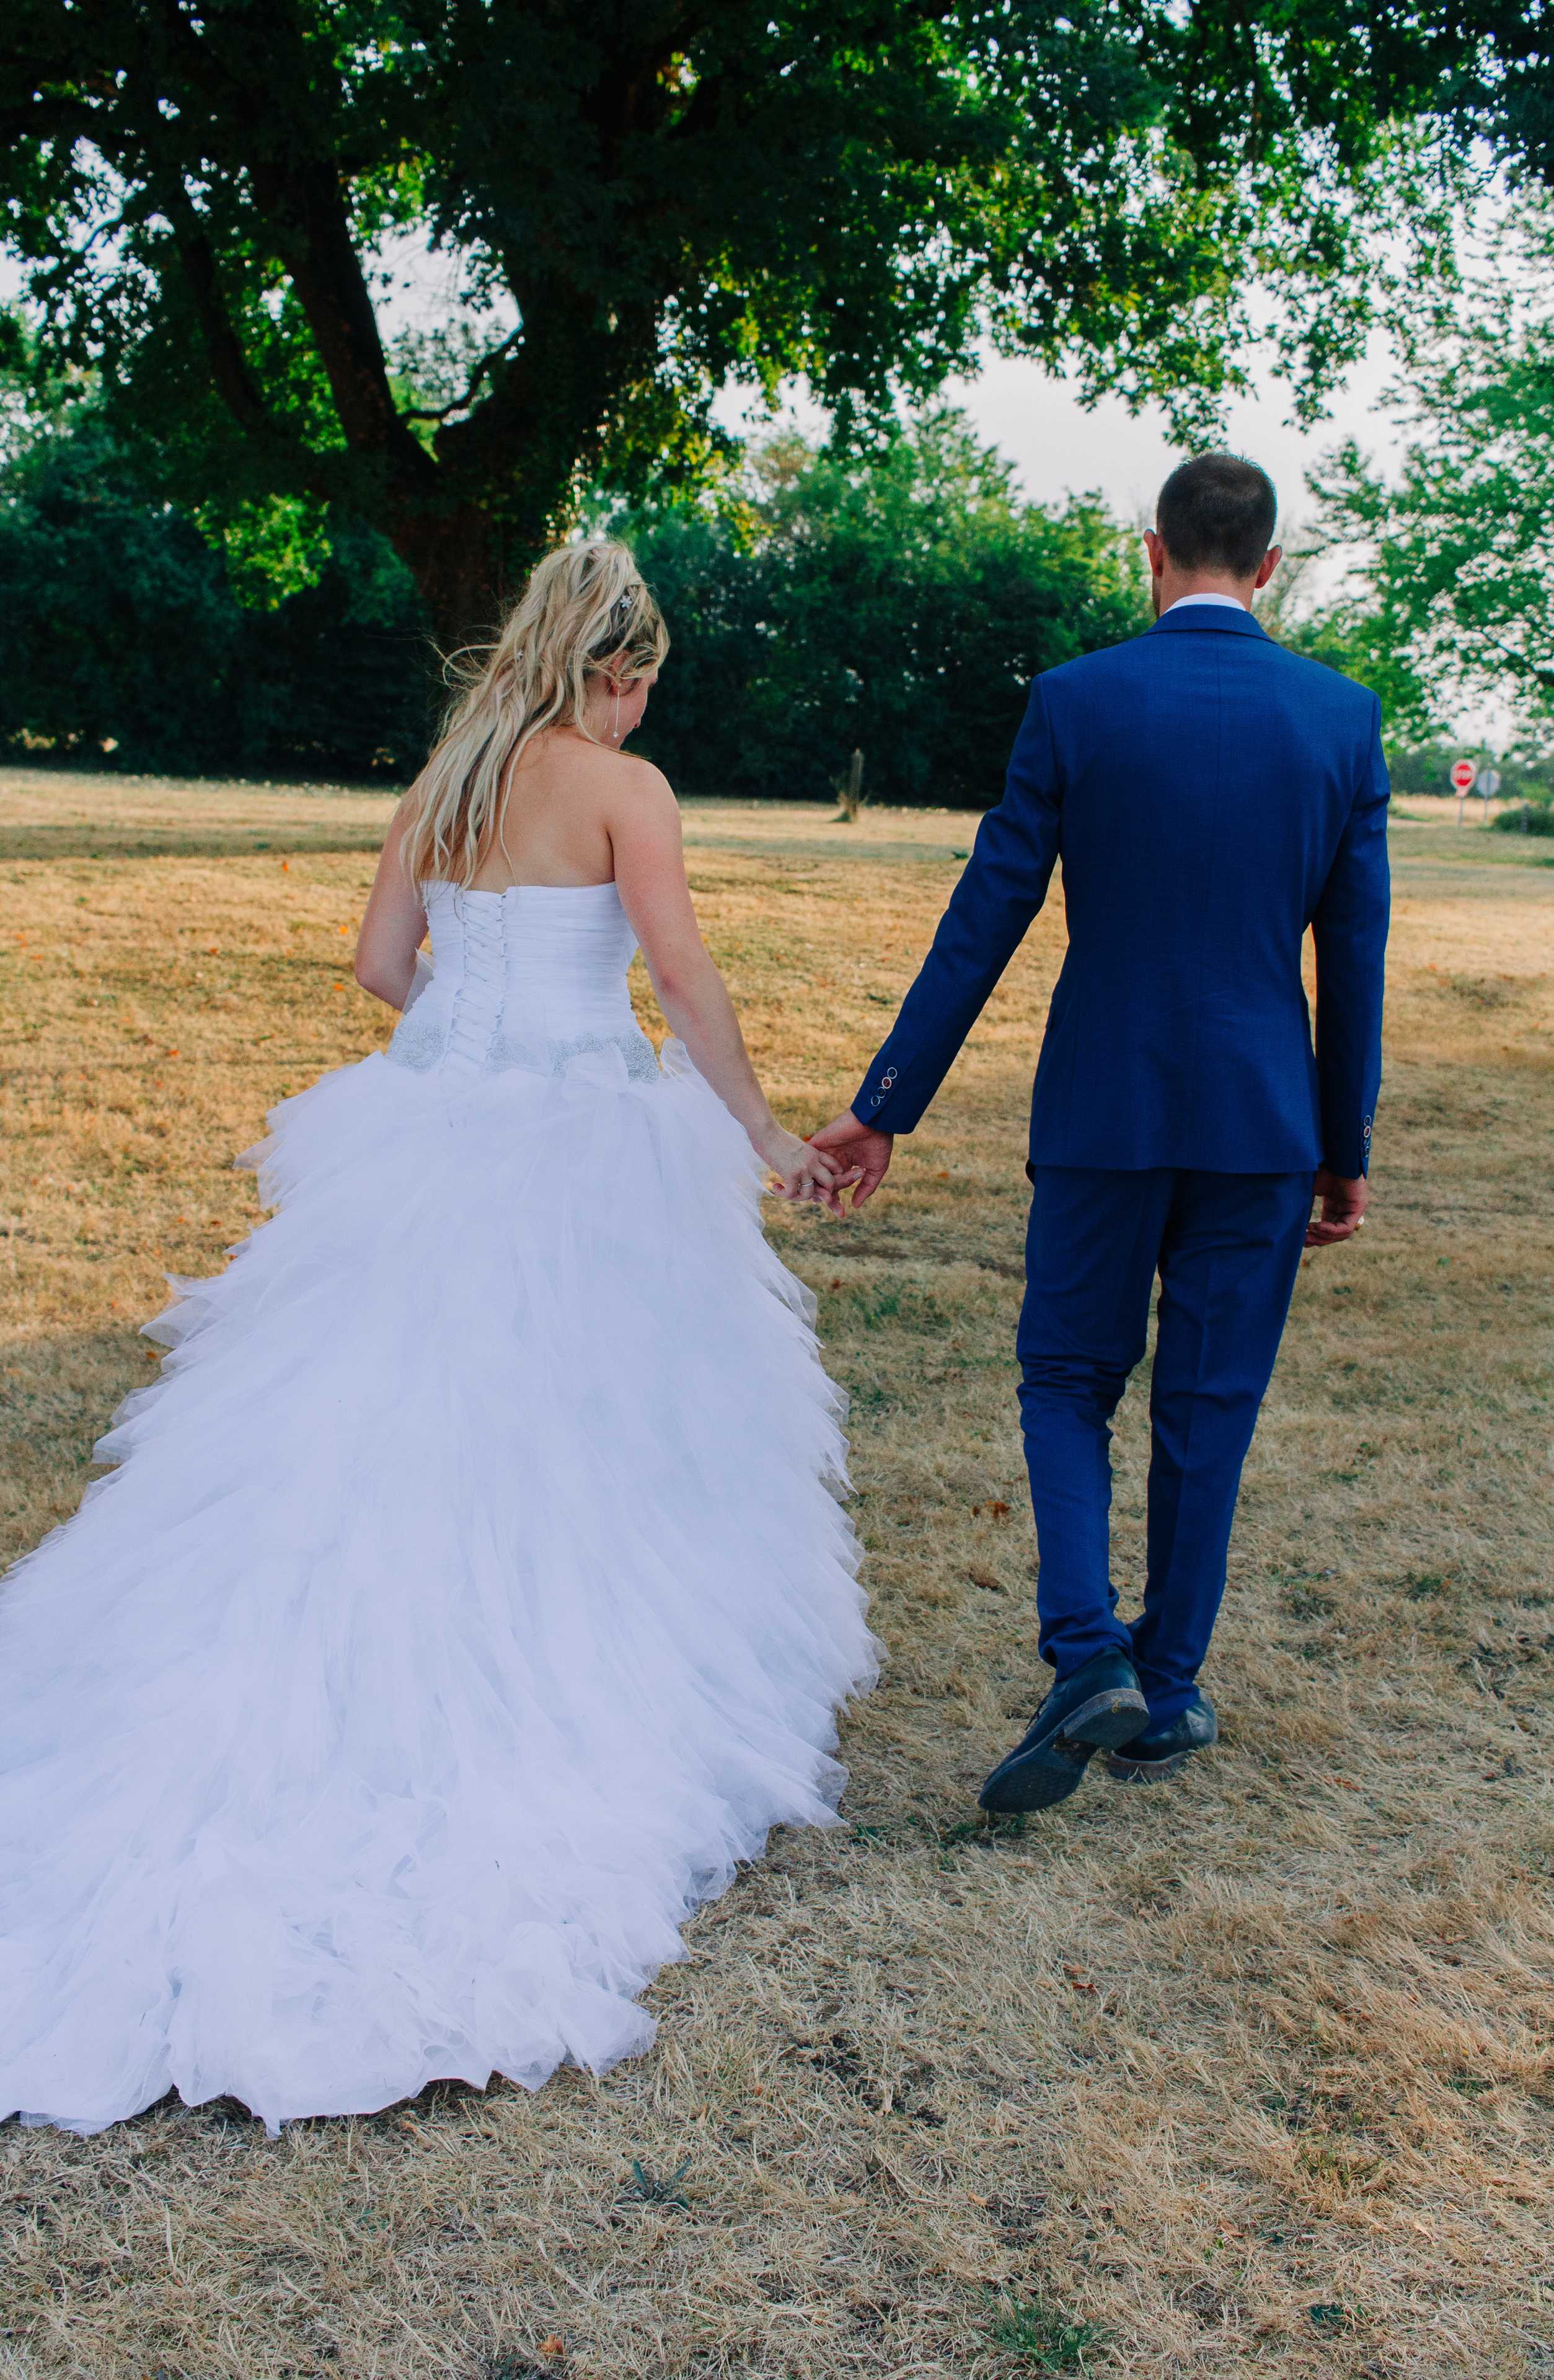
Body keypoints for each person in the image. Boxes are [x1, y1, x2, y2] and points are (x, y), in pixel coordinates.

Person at [0, 541, 876, 2138]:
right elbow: (677, 975)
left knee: (354, 1413)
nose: (640, 709)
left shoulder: (448, 778)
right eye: (642, 685)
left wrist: (470, 1042)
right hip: (574, 1141)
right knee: (582, 1430)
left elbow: (378, 967)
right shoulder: (626, 789)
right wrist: (758, 1133)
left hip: (423, 1130)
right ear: (616, 672)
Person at [812, 453, 1390, 1810]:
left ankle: (1086, 1655)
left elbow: (985, 918)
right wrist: (1341, 1143)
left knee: (1066, 1378)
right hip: (1260, 1122)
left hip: (1101, 1109)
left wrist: (884, 1103)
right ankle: (1169, 1687)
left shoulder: (1077, 702)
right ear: (1265, 567)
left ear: (1152, 552)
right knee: (1209, 1403)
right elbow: (1351, 959)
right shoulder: (1338, 719)